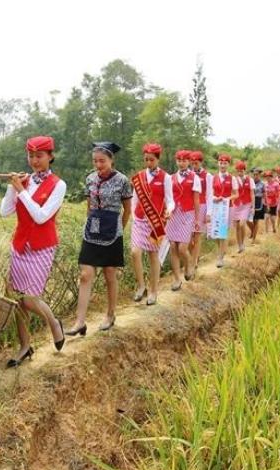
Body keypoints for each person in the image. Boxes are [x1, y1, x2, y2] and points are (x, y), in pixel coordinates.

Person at [0, 136, 67, 368]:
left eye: (39, 156)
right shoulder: (24, 182)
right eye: (31, 156)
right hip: (20, 245)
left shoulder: (59, 185)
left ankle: (53, 323)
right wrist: (12, 188)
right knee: (17, 299)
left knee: (29, 298)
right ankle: (25, 346)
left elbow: (41, 216)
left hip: (42, 247)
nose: (35, 161)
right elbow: (4, 212)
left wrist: (22, 191)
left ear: (50, 157)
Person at [66, 142, 133, 335]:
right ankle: (80, 322)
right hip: (93, 228)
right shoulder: (90, 179)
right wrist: (89, 223)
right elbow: (90, 206)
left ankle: (110, 314)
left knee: (109, 274)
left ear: (111, 160)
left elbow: (128, 209)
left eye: (102, 161)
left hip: (113, 229)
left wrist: (120, 227)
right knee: (85, 274)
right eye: (95, 161)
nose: (98, 164)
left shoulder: (122, 181)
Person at [130, 143, 175, 305]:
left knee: (153, 256)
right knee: (135, 252)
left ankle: (154, 291)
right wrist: (134, 217)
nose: (148, 163)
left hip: (156, 222)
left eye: (151, 160)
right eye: (146, 159)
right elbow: (135, 198)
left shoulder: (166, 177)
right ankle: (141, 286)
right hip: (139, 219)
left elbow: (170, 201)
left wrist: (169, 210)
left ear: (157, 159)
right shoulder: (140, 176)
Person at [165, 150, 201, 289]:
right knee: (173, 247)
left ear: (189, 162)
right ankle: (176, 279)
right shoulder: (171, 178)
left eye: (184, 160)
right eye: (179, 160)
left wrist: (197, 220)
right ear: (176, 161)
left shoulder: (194, 178)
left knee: (182, 248)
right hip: (174, 214)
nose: (181, 163)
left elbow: (196, 200)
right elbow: (167, 198)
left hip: (188, 213)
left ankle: (189, 264)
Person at [209, 153, 239, 268]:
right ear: (218, 164)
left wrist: (226, 199)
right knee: (216, 233)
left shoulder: (232, 178)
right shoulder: (213, 178)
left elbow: (236, 194)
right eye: (221, 163)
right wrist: (214, 198)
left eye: (225, 163)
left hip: (227, 208)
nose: (222, 165)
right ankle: (221, 250)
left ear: (228, 165)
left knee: (223, 232)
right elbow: (209, 193)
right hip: (216, 207)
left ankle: (220, 257)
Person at [188, 150, 212, 276]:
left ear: (201, 162)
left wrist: (209, 212)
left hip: (202, 207)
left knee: (197, 235)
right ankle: (192, 258)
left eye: (196, 163)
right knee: (188, 237)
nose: (194, 165)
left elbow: (209, 195)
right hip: (189, 208)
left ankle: (194, 262)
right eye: (192, 163)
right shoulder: (188, 175)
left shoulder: (207, 176)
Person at [232, 160, 253, 254]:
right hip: (236, 204)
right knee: (237, 227)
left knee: (241, 224)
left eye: (242, 170)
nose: (240, 172)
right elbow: (232, 192)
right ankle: (239, 245)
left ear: (245, 170)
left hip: (246, 204)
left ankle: (243, 243)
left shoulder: (250, 179)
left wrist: (253, 206)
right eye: (238, 170)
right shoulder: (234, 179)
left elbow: (252, 193)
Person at [248, 168, 265, 243]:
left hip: (258, 202)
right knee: (247, 220)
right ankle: (252, 231)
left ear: (259, 175)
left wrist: (266, 204)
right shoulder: (250, 182)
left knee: (256, 221)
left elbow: (264, 194)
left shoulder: (262, 184)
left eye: (257, 174)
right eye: (254, 174)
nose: (255, 176)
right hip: (250, 201)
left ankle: (254, 239)